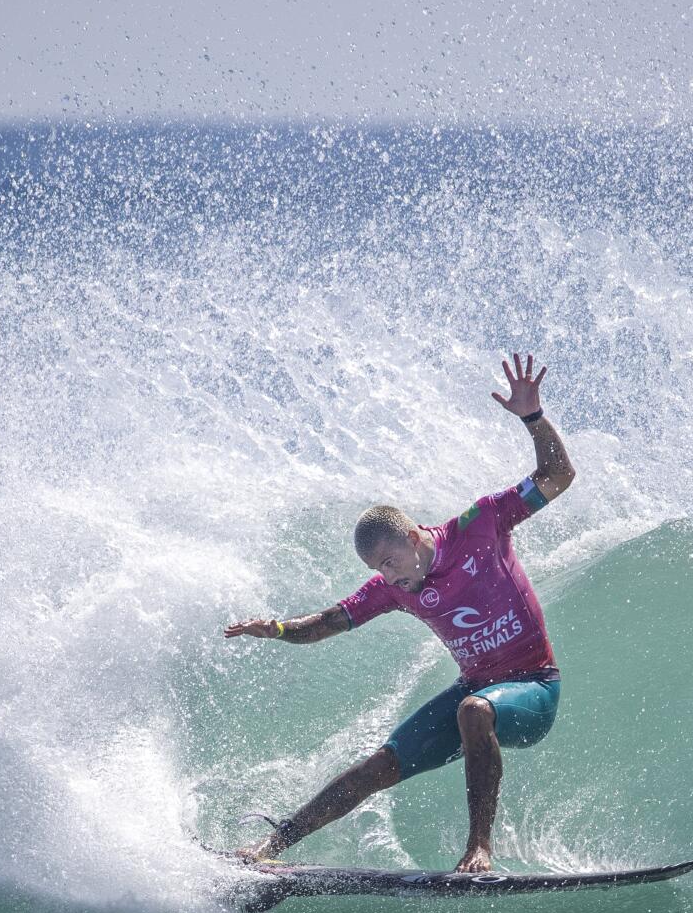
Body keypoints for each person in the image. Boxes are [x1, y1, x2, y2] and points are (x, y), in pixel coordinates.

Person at [222, 353, 575, 872]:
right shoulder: (396, 588)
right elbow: (325, 624)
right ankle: (267, 849)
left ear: (413, 538)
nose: (387, 578)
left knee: (474, 711)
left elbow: (558, 475)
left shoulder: (481, 523)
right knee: (379, 766)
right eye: (377, 570)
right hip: (476, 689)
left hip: (534, 689)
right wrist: (275, 629)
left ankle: (479, 849)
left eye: (390, 562)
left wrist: (532, 418)